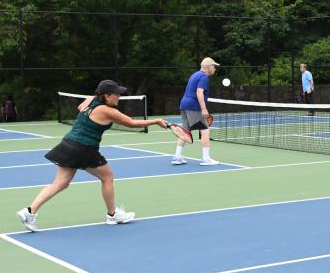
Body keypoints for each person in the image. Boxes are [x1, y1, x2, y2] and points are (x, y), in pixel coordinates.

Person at [16, 80, 168, 231]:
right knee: (107, 177)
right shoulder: (108, 111)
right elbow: (131, 123)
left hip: (68, 143)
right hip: (84, 148)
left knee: (60, 184)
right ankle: (112, 214)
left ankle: (29, 211)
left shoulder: (90, 100)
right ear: (107, 96)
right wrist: (157, 121)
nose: (119, 97)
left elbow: (80, 107)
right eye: (116, 94)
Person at [173, 57, 221, 166]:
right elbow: (199, 92)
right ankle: (206, 159)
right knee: (205, 131)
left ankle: (177, 157)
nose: (214, 68)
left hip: (184, 104)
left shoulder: (195, 75)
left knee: (185, 131)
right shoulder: (204, 77)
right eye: (213, 66)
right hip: (193, 106)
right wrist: (204, 109)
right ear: (208, 67)